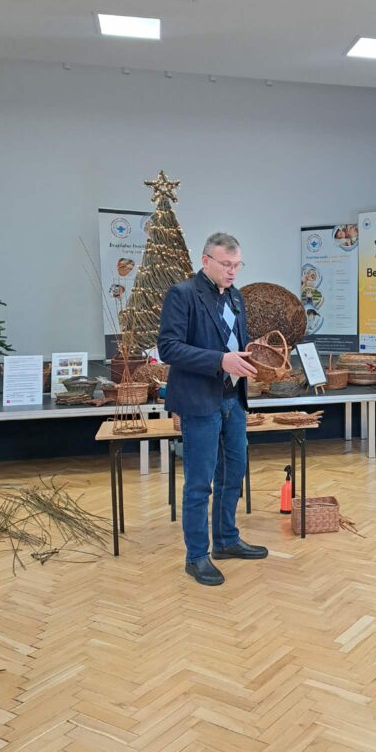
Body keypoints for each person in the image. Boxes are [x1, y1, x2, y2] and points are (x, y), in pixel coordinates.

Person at [158, 232, 268, 586]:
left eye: (237, 265)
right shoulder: (182, 294)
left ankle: (225, 540)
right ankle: (196, 557)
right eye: (226, 264)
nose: (232, 271)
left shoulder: (236, 296)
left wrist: (252, 356)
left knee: (234, 472)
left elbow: (234, 343)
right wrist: (220, 360)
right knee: (199, 483)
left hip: (233, 399)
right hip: (199, 401)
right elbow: (168, 348)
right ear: (205, 261)